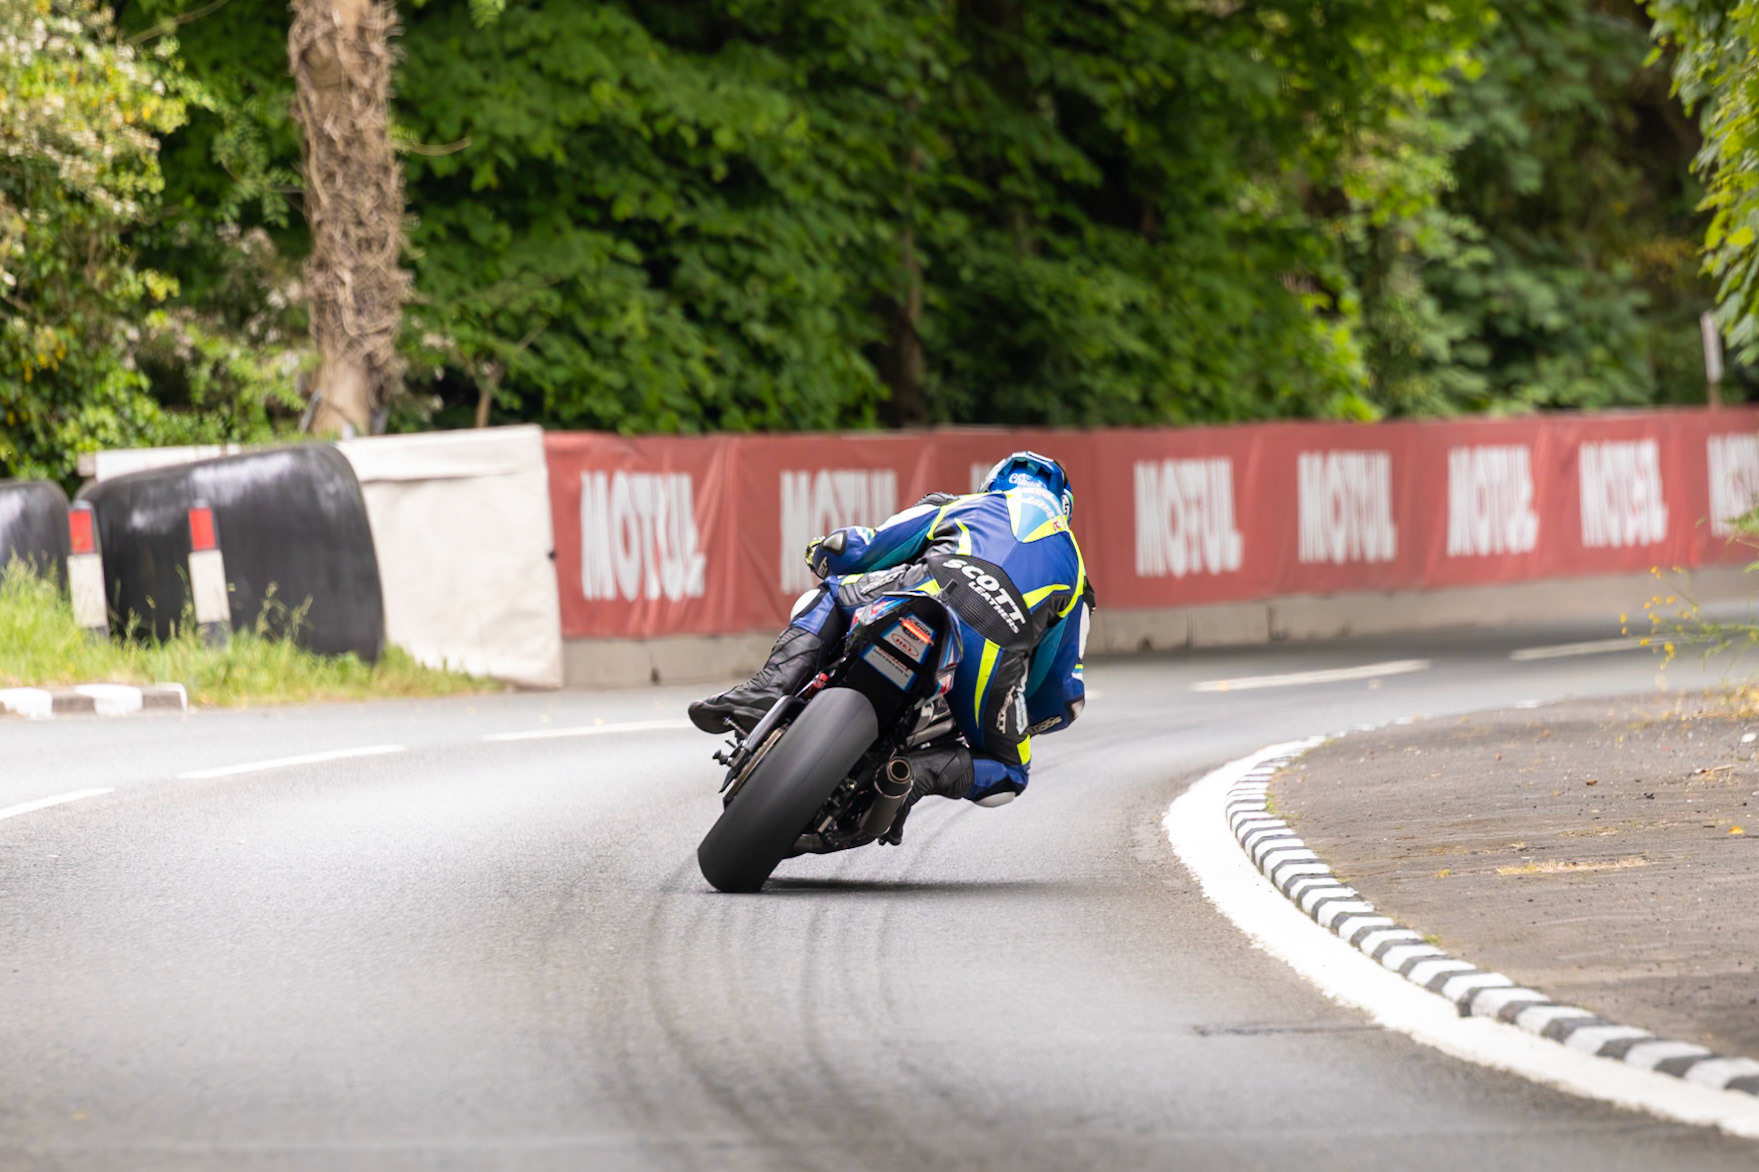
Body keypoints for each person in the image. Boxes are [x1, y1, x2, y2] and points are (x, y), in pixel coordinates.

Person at [688, 451, 1092, 840]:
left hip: (920, 593)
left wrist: (824, 552)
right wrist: (1025, 712)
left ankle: (766, 690)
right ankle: (911, 777)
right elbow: (1061, 687)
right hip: (988, 661)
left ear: (993, 483)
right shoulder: (1076, 572)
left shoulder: (961, 505)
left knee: (828, 594)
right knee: (1011, 773)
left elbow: (868, 545)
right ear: (1065, 507)